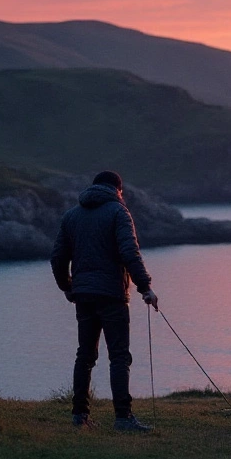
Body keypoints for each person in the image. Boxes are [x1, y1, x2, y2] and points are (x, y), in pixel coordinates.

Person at [51, 171, 159, 432]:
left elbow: (57, 258)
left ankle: (80, 416)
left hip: (84, 295)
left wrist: (68, 287)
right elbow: (129, 252)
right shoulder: (118, 212)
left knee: (85, 356)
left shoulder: (71, 216)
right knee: (119, 356)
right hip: (112, 296)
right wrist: (145, 287)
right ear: (118, 190)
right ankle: (123, 418)